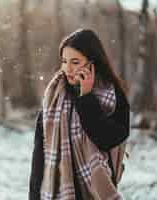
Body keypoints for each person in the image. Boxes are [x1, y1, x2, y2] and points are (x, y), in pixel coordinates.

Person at [28, 28, 130, 200]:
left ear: (92, 63)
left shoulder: (112, 95)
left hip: (96, 192)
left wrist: (86, 97)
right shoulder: (53, 97)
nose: (67, 68)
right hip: (58, 192)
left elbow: (108, 139)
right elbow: (39, 155)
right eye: (64, 61)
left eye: (75, 62)